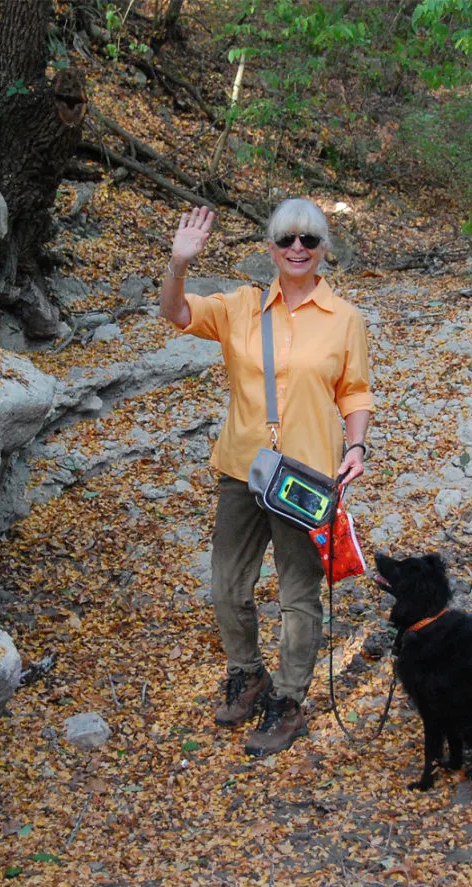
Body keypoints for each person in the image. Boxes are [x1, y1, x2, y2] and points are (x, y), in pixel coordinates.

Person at [159, 198, 375, 757]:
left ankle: (289, 699)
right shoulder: (241, 308)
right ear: (271, 248)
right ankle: (247, 672)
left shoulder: (345, 318)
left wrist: (357, 445)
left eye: (308, 239)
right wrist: (179, 263)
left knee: (299, 593)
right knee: (228, 586)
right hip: (241, 469)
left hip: (306, 479)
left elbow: (354, 392)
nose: (297, 249)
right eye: (286, 240)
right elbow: (177, 314)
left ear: (325, 247)